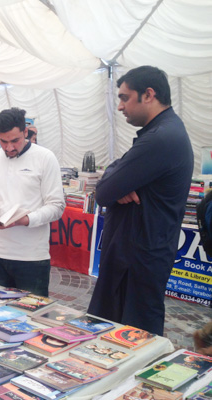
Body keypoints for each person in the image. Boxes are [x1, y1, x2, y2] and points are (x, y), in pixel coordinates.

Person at [87, 66, 194, 336]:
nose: (120, 106)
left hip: (138, 261)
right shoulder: (162, 131)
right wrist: (115, 180)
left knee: (133, 338)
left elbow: (103, 192)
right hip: (138, 254)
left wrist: (114, 183)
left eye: (125, 98)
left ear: (148, 95)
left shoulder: (161, 138)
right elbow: (112, 177)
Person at [0, 107, 65, 296]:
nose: (9, 147)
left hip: (31, 257)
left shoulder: (45, 158)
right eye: (3, 141)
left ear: (25, 132)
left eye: (15, 141)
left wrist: (27, 220)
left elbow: (57, 206)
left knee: (31, 312)